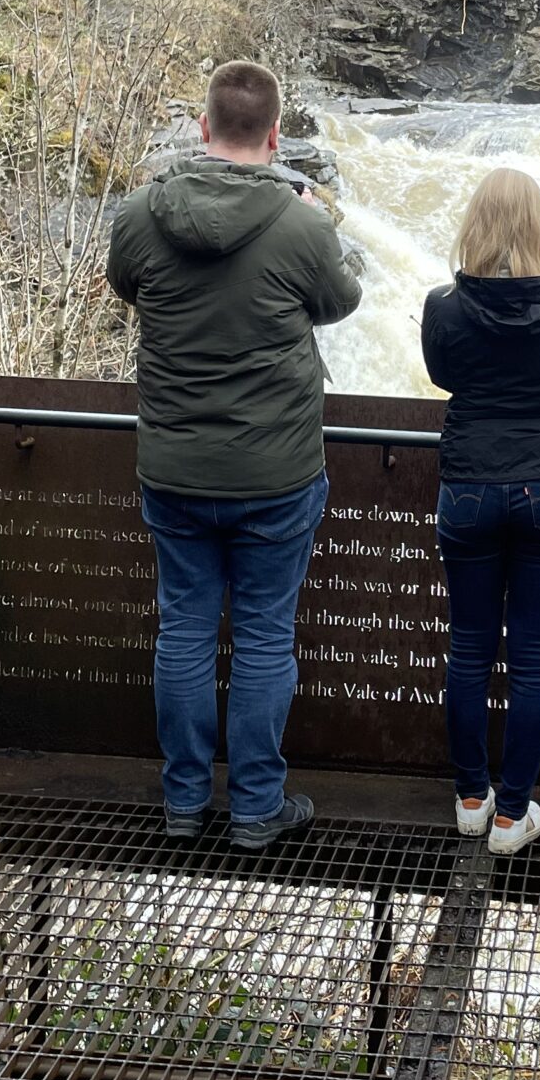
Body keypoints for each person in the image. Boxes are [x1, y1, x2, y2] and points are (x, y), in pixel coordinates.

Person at [107, 59, 362, 850]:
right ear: (276, 135)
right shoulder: (301, 222)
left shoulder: (143, 213)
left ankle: (183, 801)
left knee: (183, 625)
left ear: (203, 128)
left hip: (175, 466)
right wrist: (326, 222)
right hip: (276, 473)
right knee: (261, 634)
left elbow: (126, 286)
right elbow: (342, 301)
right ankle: (256, 808)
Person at [421, 168, 540, 857]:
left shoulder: (443, 304)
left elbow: (444, 376)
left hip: (469, 483)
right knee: (532, 658)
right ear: (539, 225)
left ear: (475, 223)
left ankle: (472, 797)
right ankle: (514, 815)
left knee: (469, 648)